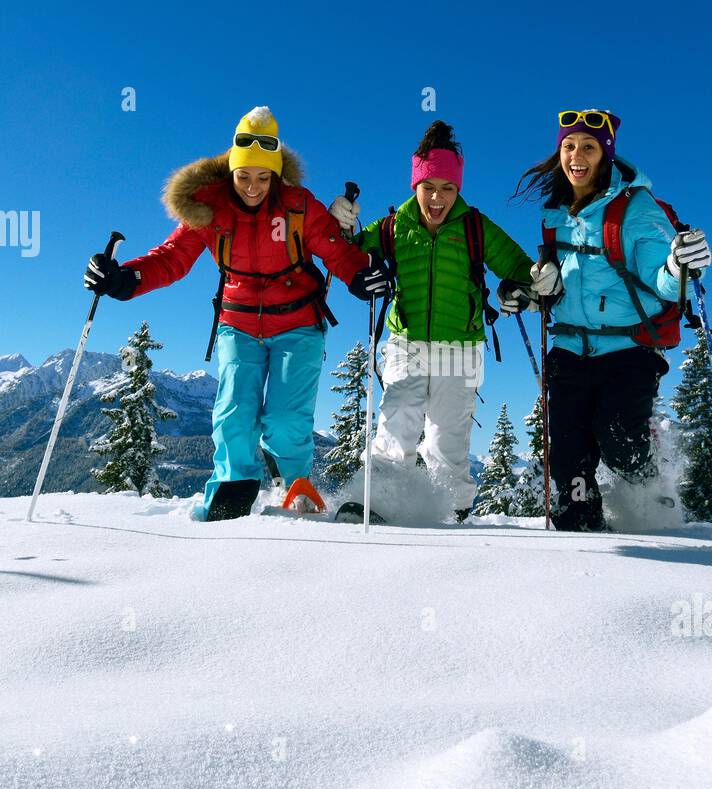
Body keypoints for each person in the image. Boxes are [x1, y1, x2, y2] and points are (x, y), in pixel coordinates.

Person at [84, 106, 390, 520]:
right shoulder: (210, 209)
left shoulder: (299, 206)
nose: (253, 186)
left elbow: (336, 249)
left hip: (298, 323)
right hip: (238, 324)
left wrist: (361, 276)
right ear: (231, 171)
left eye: (264, 177)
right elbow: (172, 257)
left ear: (277, 175)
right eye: (244, 175)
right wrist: (126, 278)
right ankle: (234, 484)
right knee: (233, 414)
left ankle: (295, 483)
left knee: (284, 422)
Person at [513, 108, 712, 532]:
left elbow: (663, 280)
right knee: (568, 456)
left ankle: (647, 489)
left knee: (618, 440)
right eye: (568, 146)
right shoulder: (555, 215)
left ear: (605, 155)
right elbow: (557, 287)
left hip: (628, 350)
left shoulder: (636, 208)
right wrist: (530, 294)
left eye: (588, 147)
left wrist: (681, 265)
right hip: (568, 350)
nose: (576, 156)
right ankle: (580, 529)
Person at [329, 120, 534, 520]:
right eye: (429, 188)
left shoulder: (475, 226)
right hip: (407, 342)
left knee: (448, 438)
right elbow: (348, 252)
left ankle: (450, 512)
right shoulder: (393, 227)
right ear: (415, 186)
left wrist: (533, 281)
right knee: (398, 416)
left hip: (462, 345)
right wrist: (342, 224)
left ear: (458, 189)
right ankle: (379, 502)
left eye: (447, 188)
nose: (437, 198)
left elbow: (518, 265)